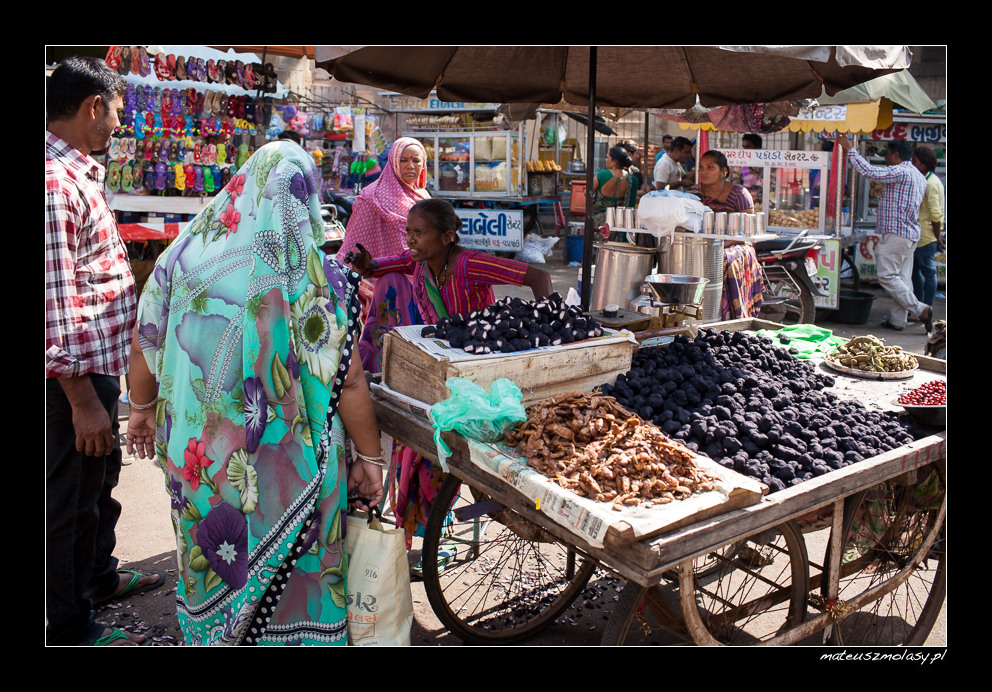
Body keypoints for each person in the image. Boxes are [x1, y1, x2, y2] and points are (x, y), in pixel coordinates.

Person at [124, 139, 385, 646]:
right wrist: (371, 460)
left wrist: (139, 411)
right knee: (295, 592)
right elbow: (349, 378)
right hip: (289, 471)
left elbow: (144, 341)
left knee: (211, 564)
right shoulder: (320, 280)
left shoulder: (179, 257)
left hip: (200, 464)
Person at [349, 198, 552, 545]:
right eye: (409, 232)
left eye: (421, 233)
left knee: (437, 453)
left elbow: (538, 276)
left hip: (478, 377)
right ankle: (424, 529)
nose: (411, 240)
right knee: (415, 440)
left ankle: (433, 533)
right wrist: (369, 266)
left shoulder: (470, 264)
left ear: (446, 237)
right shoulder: (420, 263)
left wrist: (547, 324)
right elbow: (383, 266)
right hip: (441, 374)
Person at [46, 56, 163, 647]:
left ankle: (98, 578)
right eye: (116, 112)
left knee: (97, 482)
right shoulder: (53, 184)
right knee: (69, 499)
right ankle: (70, 628)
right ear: (94, 106)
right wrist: (80, 399)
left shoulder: (77, 173)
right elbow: (52, 301)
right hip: (75, 379)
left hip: (97, 370)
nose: (119, 124)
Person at [837, 134, 933, 332]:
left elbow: (869, 171)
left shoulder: (900, 171)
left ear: (896, 156)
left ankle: (921, 309)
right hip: (909, 234)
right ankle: (898, 321)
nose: (886, 158)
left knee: (887, 276)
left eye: (887, 154)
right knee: (903, 280)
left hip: (896, 233)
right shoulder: (918, 176)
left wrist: (849, 148)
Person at [335, 137, 430, 316]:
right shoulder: (371, 197)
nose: (410, 166)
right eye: (403, 160)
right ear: (393, 162)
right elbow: (353, 243)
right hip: (383, 283)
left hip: (421, 283)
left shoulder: (423, 196)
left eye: (416, 160)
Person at [911, 147, 945, 311]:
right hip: (920, 235)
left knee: (928, 274)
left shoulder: (931, 184)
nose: (912, 164)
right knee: (915, 272)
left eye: (915, 162)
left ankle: (927, 308)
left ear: (924, 165)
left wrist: (937, 237)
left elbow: (935, 215)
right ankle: (920, 307)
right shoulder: (926, 180)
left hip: (926, 237)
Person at [689, 149, 755, 213]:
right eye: (701, 167)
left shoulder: (738, 194)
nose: (703, 172)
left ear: (723, 171)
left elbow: (748, 222)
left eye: (710, 167)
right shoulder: (694, 193)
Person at [591, 145, 636, 230]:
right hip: (621, 221)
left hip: (600, 222)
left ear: (615, 161)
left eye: (607, 157)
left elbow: (588, 193)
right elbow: (631, 203)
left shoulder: (603, 174)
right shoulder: (632, 179)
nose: (605, 160)